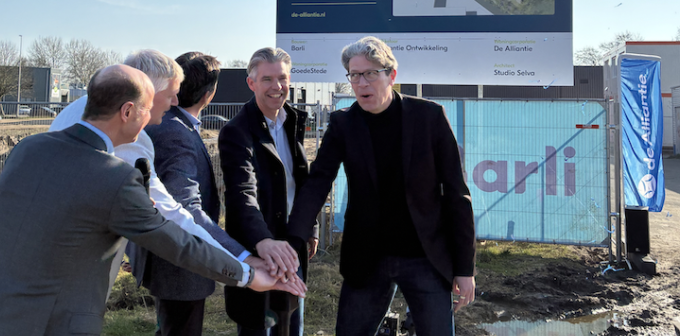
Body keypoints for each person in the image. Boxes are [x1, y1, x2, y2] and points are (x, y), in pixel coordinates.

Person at [0, 65, 305, 336]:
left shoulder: (28, 149)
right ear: (127, 112)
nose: (154, 121)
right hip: (48, 325)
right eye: (148, 110)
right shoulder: (115, 178)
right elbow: (177, 242)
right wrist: (247, 275)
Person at [287, 36, 476, 336]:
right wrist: (293, 241)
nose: (362, 83)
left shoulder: (429, 117)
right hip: (367, 258)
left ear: (392, 75)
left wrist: (464, 269)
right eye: (354, 75)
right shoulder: (343, 124)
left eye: (371, 74)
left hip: (425, 257)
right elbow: (317, 183)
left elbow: (457, 193)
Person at [49, 50, 245, 297]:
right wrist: (241, 266)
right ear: (147, 90)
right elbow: (170, 212)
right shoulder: (130, 135)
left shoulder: (81, 108)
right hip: (78, 267)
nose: (175, 102)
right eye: (171, 94)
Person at [144, 52, 250, 336]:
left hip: (172, 260)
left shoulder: (168, 123)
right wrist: (241, 256)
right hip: (181, 265)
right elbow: (186, 208)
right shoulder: (176, 133)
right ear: (209, 94)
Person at [219, 47, 317, 335]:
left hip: (292, 246)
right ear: (251, 83)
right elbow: (242, 194)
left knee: (292, 325)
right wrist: (264, 241)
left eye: (282, 78)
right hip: (258, 250)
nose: (277, 86)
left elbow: (301, 183)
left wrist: (310, 227)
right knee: (258, 327)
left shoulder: (292, 122)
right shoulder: (237, 131)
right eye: (267, 79)